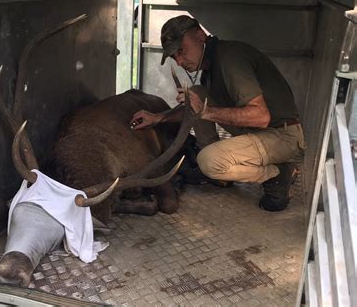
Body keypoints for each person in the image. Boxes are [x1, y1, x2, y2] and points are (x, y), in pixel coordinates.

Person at [130, 15, 306, 212]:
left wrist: (206, 112)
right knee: (196, 93)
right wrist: (159, 118)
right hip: (260, 131)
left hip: (282, 136)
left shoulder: (230, 59)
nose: (179, 61)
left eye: (181, 50)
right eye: (174, 57)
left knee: (208, 160)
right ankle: (219, 174)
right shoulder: (211, 66)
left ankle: (277, 174)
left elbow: (260, 117)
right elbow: (197, 109)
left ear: (200, 36)